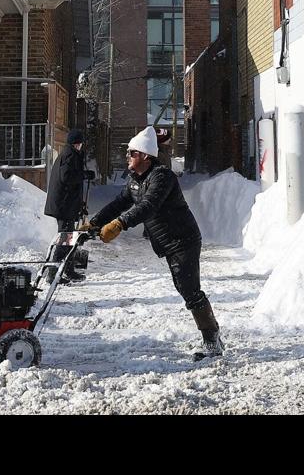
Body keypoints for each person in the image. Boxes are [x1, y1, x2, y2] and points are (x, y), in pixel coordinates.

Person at [83, 128, 224, 358]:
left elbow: (148, 206)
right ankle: (212, 336)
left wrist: (119, 225)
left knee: (190, 290)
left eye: (132, 153)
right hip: (168, 243)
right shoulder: (135, 181)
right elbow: (120, 202)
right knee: (184, 288)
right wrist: (96, 222)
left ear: (145, 156)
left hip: (183, 240)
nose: (127, 156)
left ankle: (212, 341)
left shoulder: (162, 177)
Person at [43, 128, 90, 283]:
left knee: (70, 238)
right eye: (80, 143)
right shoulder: (70, 154)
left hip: (67, 204)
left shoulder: (70, 153)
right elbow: (66, 178)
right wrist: (83, 175)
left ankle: (68, 271)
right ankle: (52, 274)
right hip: (64, 206)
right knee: (64, 238)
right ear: (78, 144)